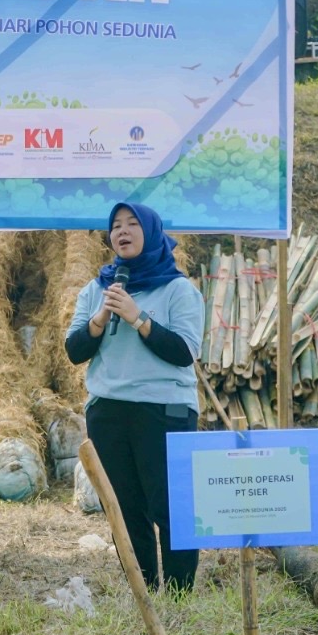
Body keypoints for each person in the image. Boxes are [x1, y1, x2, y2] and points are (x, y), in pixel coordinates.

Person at [64, 201, 205, 592]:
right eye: (115, 225)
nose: (122, 231)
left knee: (170, 508)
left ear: (151, 231)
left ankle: (178, 598)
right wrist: (101, 318)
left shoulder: (179, 290)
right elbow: (74, 351)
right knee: (125, 510)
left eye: (131, 224)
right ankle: (142, 594)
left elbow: (183, 351)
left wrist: (137, 316)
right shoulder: (98, 289)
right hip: (109, 411)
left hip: (165, 411)